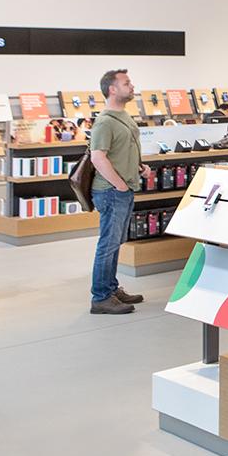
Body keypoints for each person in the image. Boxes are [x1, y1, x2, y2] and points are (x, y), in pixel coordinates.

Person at [88, 69, 147, 315]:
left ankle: (111, 289)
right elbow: (97, 157)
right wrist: (119, 184)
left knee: (114, 243)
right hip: (112, 191)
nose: (131, 86)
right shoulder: (104, 121)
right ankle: (101, 297)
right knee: (108, 244)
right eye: (126, 83)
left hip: (124, 188)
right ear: (112, 89)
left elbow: (121, 150)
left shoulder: (123, 116)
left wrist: (139, 167)